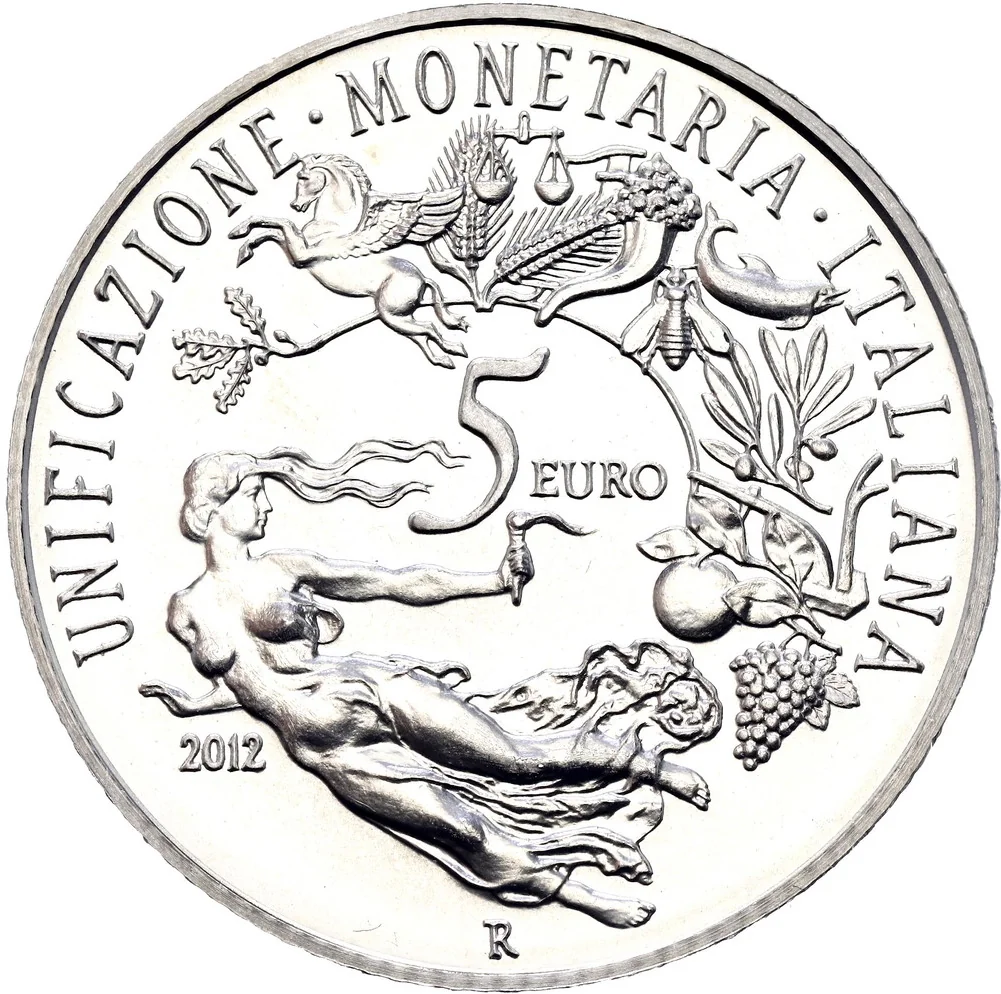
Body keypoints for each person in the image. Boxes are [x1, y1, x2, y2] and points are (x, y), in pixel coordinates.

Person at [140, 439, 714, 927]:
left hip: (365, 692)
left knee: (514, 759)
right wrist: (192, 706)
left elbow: (396, 582)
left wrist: (492, 581)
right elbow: (244, 681)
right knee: (460, 830)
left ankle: (649, 768)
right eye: (253, 493)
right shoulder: (187, 609)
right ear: (214, 508)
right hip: (328, 748)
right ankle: (581, 896)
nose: (266, 504)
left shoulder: (282, 568)